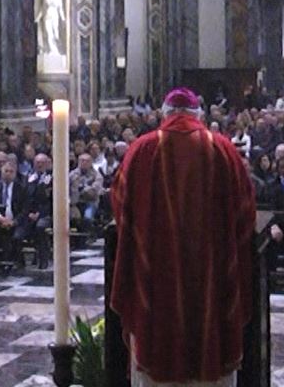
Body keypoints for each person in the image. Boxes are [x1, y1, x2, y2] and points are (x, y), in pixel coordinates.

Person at [110, 88, 257, 387]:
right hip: (212, 284)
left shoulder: (142, 150)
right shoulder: (224, 150)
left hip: (155, 284)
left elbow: (120, 206)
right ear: (198, 115)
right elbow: (245, 214)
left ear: (164, 114)